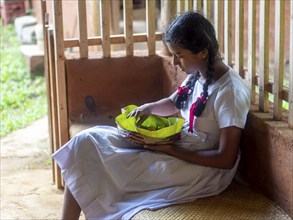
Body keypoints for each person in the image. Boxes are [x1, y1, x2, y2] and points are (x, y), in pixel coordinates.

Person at [53, 11, 251, 220]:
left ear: (202, 52)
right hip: (178, 147)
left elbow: (226, 159)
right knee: (86, 142)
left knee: (112, 162)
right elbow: (174, 102)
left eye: (179, 55)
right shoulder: (199, 75)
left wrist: (169, 150)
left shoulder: (229, 92)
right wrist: (148, 108)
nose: (174, 62)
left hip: (202, 169)